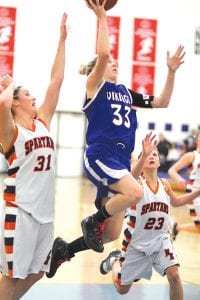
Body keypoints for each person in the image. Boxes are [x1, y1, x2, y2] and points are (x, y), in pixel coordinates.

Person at [45, 0, 185, 278]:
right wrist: (101, 15)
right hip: (101, 154)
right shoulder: (94, 87)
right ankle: (91, 220)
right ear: (99, 67)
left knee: (110, 234)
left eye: (115, 64)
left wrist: (170, 72)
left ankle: (64, 250)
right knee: (134, 193)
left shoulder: (125, 92)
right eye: (110, 63)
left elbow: (162, 101)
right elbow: (104, 53)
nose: (115, 64)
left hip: (121, 159)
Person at [0, 12, 67, 300]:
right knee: (10, 277)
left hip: (45, 215)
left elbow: (57, 79)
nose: (35, 97)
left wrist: (62, 39)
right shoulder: (10, 132)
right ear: (16, 102)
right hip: (21, 212)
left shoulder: (43, 122)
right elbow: (2, 102)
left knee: (40, 270)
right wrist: (9, 86)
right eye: (27, 94)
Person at [99, 136, 200, 300]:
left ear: (159, 162)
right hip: (137, 243)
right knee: (122, 289)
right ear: (142, 161)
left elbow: (177, 202)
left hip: (161, 240)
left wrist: (197, 192)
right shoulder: (136, 185)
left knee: (174, 275)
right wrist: (144, 155)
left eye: (155, 155)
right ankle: (116, 260)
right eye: (147, 156)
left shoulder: (165, 184)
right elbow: (132, 175)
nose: (152, 157)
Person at [168, 131, 200, 240]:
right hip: (195, 195)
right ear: (197, 140)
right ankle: (176, 227)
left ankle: (176, 227)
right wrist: (179, 179)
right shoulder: (192, 156)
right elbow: (172, 170)